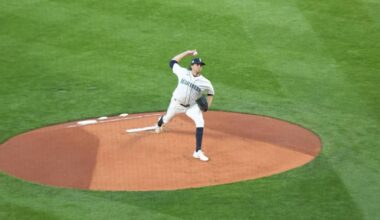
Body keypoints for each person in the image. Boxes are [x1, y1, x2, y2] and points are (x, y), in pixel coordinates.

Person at [156, 50, 215, 162]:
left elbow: (211, 92)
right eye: (198, 64)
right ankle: (159, 122)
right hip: (176, 104)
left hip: (191, 107)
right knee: (166, 119)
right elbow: (172, 62)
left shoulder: (205, 82)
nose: (199, 67)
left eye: (201, 65)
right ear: (192, 65)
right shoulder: (182, 72)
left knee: (200, 122)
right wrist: (187, 53)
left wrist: (208, 105)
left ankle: (197, 151)